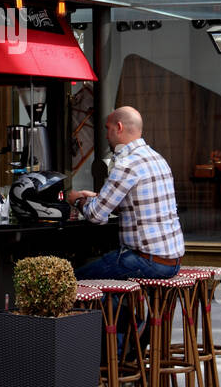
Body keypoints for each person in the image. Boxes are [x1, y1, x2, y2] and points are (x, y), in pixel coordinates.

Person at [66, 106, 184, 279]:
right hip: (172, 260)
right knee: (114, 297)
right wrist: (97, 197)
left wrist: (77, 199)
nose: (106, 135)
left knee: (72, 282)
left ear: (119, 127)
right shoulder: (157, 158)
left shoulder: (127, 164)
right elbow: (137, 205)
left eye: (108, 129)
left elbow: (96, 215)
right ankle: (120, 305)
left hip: (147, 261)